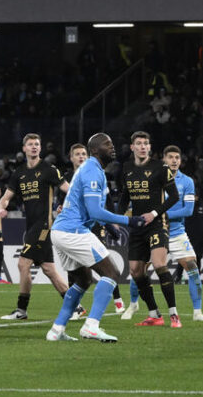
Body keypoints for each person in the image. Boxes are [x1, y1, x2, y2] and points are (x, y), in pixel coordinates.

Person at [45, 133, 146, 342]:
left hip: (62, 231)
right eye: (107, 144)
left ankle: (56, 330)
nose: (113, 147)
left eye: (112, 143)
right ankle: (91, 325)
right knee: (112, 272)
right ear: (95, 150)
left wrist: (108, 225)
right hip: (73, 230)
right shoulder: (92, 171)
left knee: (83, 279)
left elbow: (93, 208)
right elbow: (94, 211)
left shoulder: (93, 170)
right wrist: (129, 220)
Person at [0, 133, 73, 320]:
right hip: (31, 225)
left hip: (44, 225)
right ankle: (76, 306)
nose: (34, 147)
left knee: (23, 263)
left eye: (37, 144)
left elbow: (69, 190)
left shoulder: (48, 169)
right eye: (30, 144)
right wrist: (1, 207)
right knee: (49, 269)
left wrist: (65, 205)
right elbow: (6, 197)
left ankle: (21, 310)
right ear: (24, 148)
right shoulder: (19, 173)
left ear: (40, 148)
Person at [118, 131, 180, 328]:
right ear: (132, 147)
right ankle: (154, 314)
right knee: (136, 271)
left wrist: (154, 213)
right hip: (137, 227)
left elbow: (174, 197)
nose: (143, 146)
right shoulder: (126, 168)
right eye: (139, 143)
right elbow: (124, 197)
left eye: (146, 143)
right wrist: (117, 218)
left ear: (149, 147)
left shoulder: (160, 167)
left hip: (157, 224)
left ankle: (173, 314)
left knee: (159, 263)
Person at [60, 143, 126, 317]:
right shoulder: (67, 178)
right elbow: (63, 201)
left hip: (96, 224)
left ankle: (117, 298)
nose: (81, 157)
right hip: (75, 226)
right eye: (77, 154)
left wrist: (112, 220)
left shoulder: (96, 173)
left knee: (104, 262)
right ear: (71, 158)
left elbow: (106, 200)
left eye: (83, 153)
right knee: (74, 268)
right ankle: (77, 308)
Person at [163, 145, 203, 321]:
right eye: (170, 157)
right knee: (139, 270)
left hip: (177, 233)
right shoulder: (155, 179)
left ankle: (197, 312)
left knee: (193, 270)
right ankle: (133, 306)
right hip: (156, 232)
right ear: (164, 160)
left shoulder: (187, 181)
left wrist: (160, 215)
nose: (174, 160)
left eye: (177, 157)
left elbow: (188, 210)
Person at [173, 191, 203, 285]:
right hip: (185, 236)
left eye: (194, 196)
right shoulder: (184, 208)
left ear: (198, 197)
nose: (193, 198)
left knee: (197, 257)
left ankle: (196, 278)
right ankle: (178, 276)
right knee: (182, 257)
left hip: (199, 238)